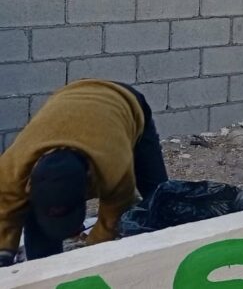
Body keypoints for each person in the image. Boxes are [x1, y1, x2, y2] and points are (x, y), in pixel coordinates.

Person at [0, 79, 167, 265]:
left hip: (122, 100)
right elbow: (4, 216)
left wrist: (90, 256)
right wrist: (4, 255)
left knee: (160, 198)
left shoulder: (113, 167)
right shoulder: (11, 170)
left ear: (88, 184)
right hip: (68, 99)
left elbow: (113, 217)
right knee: (39, 236)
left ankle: (164, 261)